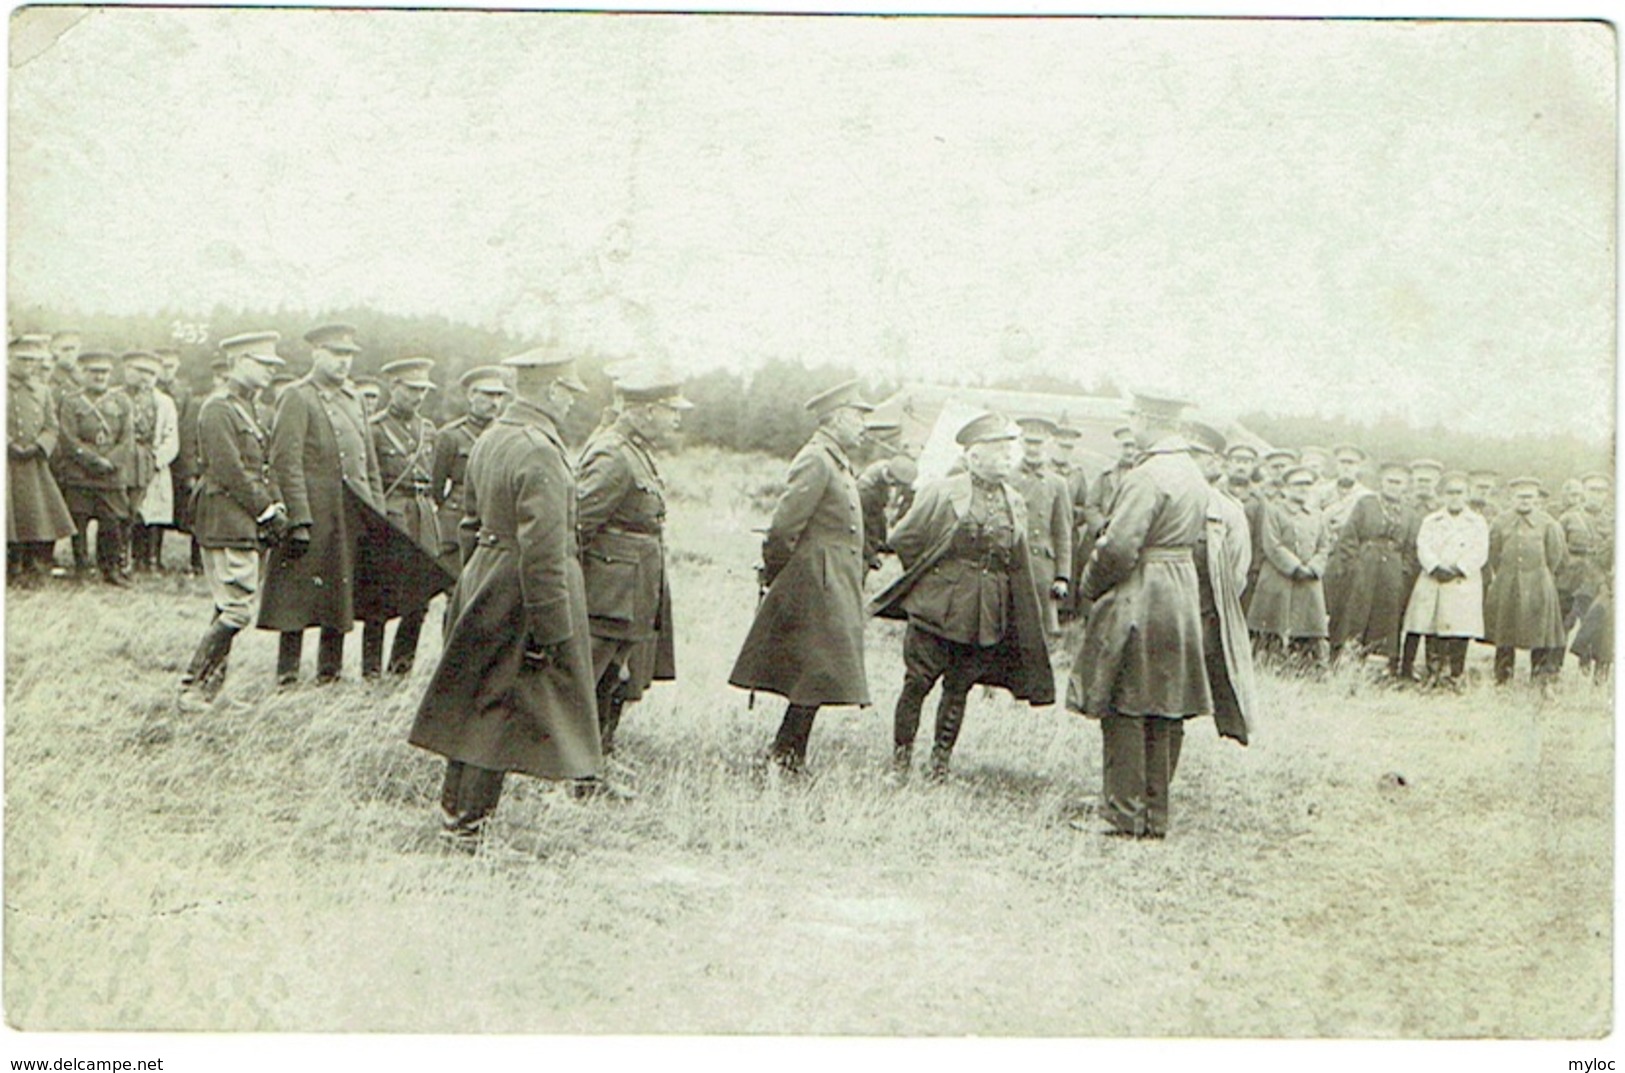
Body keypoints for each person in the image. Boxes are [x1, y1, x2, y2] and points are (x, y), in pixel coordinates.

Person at [408, 346, 602, 851]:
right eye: (569, 393)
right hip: (520, 589)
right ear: (553, 391)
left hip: (486, 578)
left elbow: (470, 523)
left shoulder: (493, 437)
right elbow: (544, 552)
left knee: (476, 699)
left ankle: (456, 816)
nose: (573, 403)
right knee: (498, 710)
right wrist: (549, 629)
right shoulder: (539, 448)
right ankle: (466, 829)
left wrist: (478, 580)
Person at [868, 412, 1054, 780]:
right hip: (937, 608)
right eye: (998, 450)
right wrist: (932, 578)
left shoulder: (1015, 501)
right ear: (974, 457)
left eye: (1008, 450)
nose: (1007, 457)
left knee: (959, 688)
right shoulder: (942, 490)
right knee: (918, 683)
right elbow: (905, 538)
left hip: (985, 613)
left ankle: (939, 766)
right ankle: (900, 763)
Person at [1067, 393, 1212, 840]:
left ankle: (1122, 814)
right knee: (1166, 703)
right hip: (1180, 591)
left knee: (1125, 698)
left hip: (1142, 590)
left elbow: (1117, 547)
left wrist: (1088, 587)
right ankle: (1154, 814)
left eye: (1133, 418)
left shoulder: (1146, 475)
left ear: (1149, 420)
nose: (1130, 426)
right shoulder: (1192, 471)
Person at [729, 378, 872, 775]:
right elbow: (783, 527)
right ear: (836, 418)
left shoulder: (835, 459)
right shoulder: (816, 459)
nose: (864, 426)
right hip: (815, 581)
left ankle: (788, 751)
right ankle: (786, 755)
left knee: (820, 671)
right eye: (858, 417)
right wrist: (780, 574)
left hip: (831, 579)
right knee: (817, 669)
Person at [575, 361, 690, 763]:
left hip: (628, 592)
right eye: (671, 410)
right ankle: (570, 776)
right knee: (586, 684)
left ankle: (596, 765)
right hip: (608, 593)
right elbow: (576, 526)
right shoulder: (614, 454)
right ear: (645, 411)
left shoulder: (636, 451)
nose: (676, 419)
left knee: (612, 681)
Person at [257, 323, 385, 686]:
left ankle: (330, 675)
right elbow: (286, 460)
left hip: (350, 513)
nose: (344, 363)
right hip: (314, 512)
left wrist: (375, 512)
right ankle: (287, 676)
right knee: (296, 595)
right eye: (336, 354)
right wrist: (299, 518)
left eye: (348, 355)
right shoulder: (298, 396)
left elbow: (367, 462)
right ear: (316, 354)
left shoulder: (355, 397)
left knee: (339, 594)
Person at [177, 332, 290, 711]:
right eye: (263, 364)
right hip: (225, 516)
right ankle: (192, 687)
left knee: (230, 603)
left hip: (244, 519)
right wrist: (265, 509)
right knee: (237, 609)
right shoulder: (218, 408)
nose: (270, 372)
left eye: (273, 366)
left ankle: (211, 690)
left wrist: (275, 505)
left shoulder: (252, 409)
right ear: (239, 361)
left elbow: (264, 465)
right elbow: (229, 470)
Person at [361, 357, 442, 679]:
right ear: (394, 387)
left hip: (422, 514)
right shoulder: (375, 429)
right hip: (391, 513)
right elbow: (370, 478)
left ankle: (400, 670)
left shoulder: (428, 430)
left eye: (423, 390)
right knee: (380, 595)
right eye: (411, 389)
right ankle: (371, 672)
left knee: (419, 597)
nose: (418, 396)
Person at [1186, 420, 1256, 748]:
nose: (1191, 463)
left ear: (1215, 463)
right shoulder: (1162, 498)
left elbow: (1236, 577)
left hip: (1202, 616)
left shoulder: (1228, 511)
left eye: (1199, 456)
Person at [1327, 461, 1419, 673]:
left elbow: (1411, 547)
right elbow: (1348, 537)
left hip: (1392, 572)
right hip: (1364, 567)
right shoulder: (1365, 504)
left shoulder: (1410, 514)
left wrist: (1402, 571)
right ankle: (1346, 663)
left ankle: (1379, 668)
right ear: (1381, 482)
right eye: (1390, 481)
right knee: (1355, 613)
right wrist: (1354, 566)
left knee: (1385, 617)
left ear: (1405, 485)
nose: (1394, 486)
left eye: (1399, 483)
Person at [1400, 472, 1489, 690]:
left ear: (1467, 495)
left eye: (1459, 492)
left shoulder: (1477, 522)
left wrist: (1459, 568)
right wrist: (1435, 566)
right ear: (1442, 495)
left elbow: (1480, 550)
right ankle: (1434, 673)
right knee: (1432, 624)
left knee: (1460, 627)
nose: (1454, 497)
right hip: (1434, 579)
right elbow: (1423, 546)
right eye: (1450, 492)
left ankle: (1455, 675)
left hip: (1462, 582)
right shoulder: (1431, 520)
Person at [55, 350, 134, 585]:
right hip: (80, 472)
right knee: (78, 520)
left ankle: (110, 569)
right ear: (83, 373)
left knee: (111, 522)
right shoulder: (71, 402)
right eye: (94, 372)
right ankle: (81, 568)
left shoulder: (121, 401)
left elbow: (127, 438)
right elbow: (68, 438)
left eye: (104, 372)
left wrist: (111, 461)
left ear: (110, 374)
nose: (99, 377)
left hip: (111, 473)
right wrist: (92, 460)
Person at [1484, 477, 1568, 690]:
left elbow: (1555, 557)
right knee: (1505, 632)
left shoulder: (1548, 523)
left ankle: (1538, 680)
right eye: (1520, 496)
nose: (1525, 501)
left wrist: (1539, 575)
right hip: (1508, 583)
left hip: (1538, 583)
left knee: (1539, 633)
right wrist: (1505, 574)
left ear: (1536, 499)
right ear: (1512, 498)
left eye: (1529, 497)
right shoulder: (1500, 522)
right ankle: (1502, 679)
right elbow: (1494, 554)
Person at [1246, 464, 1330, 668]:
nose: (1302, 489)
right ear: (1286, 488)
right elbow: (1272, 544)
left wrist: (1314, 568)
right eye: (1297, 485)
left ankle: (1305, 666)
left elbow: (1324, 545)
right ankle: (1265, 663)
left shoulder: (1317, 515)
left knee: (1307, 625)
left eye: (1307, 485)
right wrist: (1294, 567)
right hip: (1278, 577)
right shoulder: (1274, 510)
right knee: (1271, 624)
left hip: (1309, 579)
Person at [430, 365, 511, 579]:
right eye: (488, 394)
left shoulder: (507, 436)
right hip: (458, 521)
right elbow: (436, 486)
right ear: (471, 395)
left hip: (496, 521)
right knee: (456, 586)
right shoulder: (450, 436)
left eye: (499, 396)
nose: (495, 402)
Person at [6, 335, 74, 583]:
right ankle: (10, 565)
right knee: (9, 514)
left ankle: (32, 564)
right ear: (10, 358)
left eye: (33, 361)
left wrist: (39, 445)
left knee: (35, 514)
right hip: (7, 461)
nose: (28, 366)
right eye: (22, 360)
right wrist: (9, 444)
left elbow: (51, 426)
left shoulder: (43, 391)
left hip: (33, 461)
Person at [1007, 416, 1072, 638]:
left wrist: (1062, 575)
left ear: (1048, 444)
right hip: (1011, 563)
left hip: (1042, 569)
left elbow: (1063, 534)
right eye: (1029, 442)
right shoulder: (1007, 478)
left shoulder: (1057, 484)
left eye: (1038, 443)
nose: (1033, 448)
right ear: (1020, 442)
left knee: (1040, 636)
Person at [121, 351, 180, 573]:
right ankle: (128, 558)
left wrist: (158, 460)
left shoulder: (165, 403)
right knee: (129, 511)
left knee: (155, 513)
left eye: (151, 373)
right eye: (140, 372)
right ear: (128, 372)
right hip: (126, 462)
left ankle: (152, 559)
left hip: (154, 462)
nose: (145, 378)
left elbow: (171, 436)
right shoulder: (119, 398)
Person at [856, 452, 918, 572]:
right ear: (894, 482)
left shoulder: (889, 468)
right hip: (859, 535)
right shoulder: (866, 491)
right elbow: (859, 527)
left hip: (872, 518)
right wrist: (870, 555)